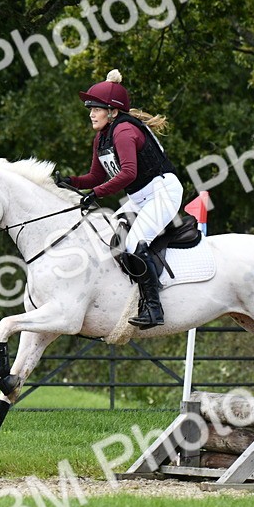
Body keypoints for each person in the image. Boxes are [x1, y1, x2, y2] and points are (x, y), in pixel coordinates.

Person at [57, 69, 183, 328]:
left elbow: (128, 173)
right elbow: (94, 176)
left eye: (97, 108)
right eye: (90, 108)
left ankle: (154, 309)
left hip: (162, 192)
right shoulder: (102, 136)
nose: (91, 113)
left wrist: (97, 193)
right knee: (107, 237)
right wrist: (70, 182)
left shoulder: (124, 131)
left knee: (135, 242)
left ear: (112, 112)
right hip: (140, 197)